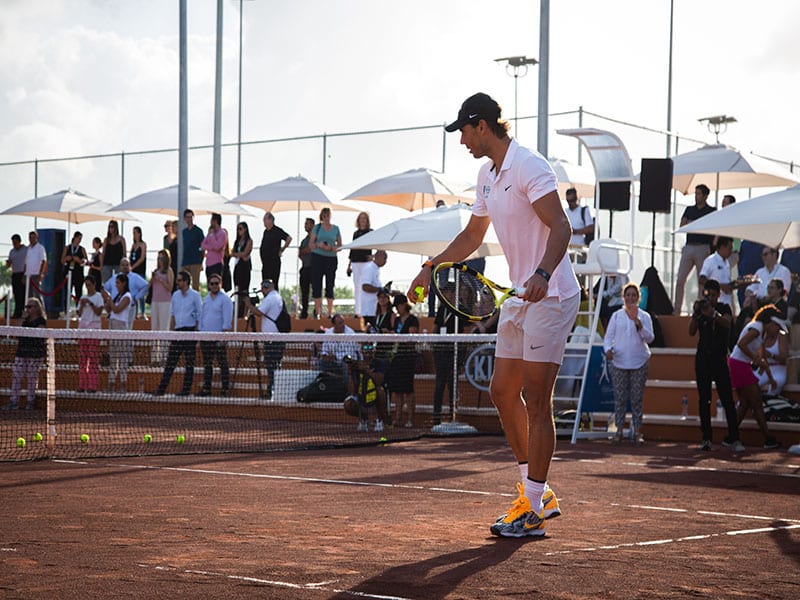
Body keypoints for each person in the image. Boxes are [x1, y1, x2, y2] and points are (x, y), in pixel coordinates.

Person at [409, 92, 579, 538]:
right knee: (504, 391)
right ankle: (535, 490)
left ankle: (534, 508)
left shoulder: (529, 165)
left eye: (463, 131)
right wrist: (431, 266)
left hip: (552, 294)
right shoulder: (486, 175)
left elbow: (562, 226)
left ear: (481, 125)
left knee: (538, 401)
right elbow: (472, 235)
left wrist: (543, 273)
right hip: (519, 296)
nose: (461, 140)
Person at [688, 279, 743, 452]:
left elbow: (727, 324)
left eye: (713, 295)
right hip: (703, 359)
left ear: (719, 295)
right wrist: (697, 312)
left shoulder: (724, 309)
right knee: (704, 400)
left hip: (719, 359)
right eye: (707, 294)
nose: (710, 298)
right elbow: (691, 331)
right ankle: (706, 438)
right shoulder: (700, 309)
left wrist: (712, 314)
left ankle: (734, 438)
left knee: (727, 399)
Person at [603, 283, 654, 445]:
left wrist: (639, 325)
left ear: (638, 297)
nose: (630, 298)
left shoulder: (644, 316)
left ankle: (637, 431)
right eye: (628, 295)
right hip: (618, 362)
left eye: (633, 295)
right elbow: (608, 337)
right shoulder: (617, 315)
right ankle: (618, 430)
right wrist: (608, 350)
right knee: (620, 398)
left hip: (639, 361)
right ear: (623, 297)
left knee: (637, 398)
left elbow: (650, 338)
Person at [728, 304, 783, 449]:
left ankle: (731, 436)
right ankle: (768, 438)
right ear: (770, 322)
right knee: (757, 400)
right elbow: (741, 344)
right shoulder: (757, 327)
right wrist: (754, 358)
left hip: (739, 364)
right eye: (777, 326)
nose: (777, 330)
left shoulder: (761, 332)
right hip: (739, 364)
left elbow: (762, 358)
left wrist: (770, 378)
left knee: (745, 403)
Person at [154, 270, 202, 396]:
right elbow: (173, 314)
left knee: (189, 363)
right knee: (171, 362)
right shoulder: (175, 295)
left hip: (190, 331)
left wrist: (196, 332)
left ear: (186, 282)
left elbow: (199, 314)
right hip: (178, 332)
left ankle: (186, 390)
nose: (177, 282)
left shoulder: (195, 295)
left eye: (180, 280)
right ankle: (161, 390)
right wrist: (172, 332)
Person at [673, 184, 715, 315]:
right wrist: (697, 224)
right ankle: (677, 310)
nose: (696, 197)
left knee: (702, 281)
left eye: (699, 194)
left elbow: (711, 228)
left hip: (703, 247)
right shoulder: (689, 209)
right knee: (680, 279)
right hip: (689, 246)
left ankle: (700, 310)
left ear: (705, 196)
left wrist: (693, 224)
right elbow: (682, 225)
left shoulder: (711, 211)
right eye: (696, 194)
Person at [243, 279, 286, 400]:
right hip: (274, 338)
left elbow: (258, 312)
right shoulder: (276, 297)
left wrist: (249, 305)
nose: (261, 291)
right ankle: (272, 389)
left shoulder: (271, 298)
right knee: (273, 365)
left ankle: (271, 390)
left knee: (271, 366)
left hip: (273, 339)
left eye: (262, 288)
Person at [2, 297, 47, 411]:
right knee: (17, 377)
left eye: (30, 307)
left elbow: (39, 334)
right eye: (27, 307)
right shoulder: (24, 320)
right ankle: (14, 401)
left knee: (32, 378)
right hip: (22, 352)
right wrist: (23, 318)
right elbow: (16, 330)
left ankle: (30, 402)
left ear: (36, 308)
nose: (27, 309)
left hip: (35, 354)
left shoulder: (41, 321)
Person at [432, 283, 466, 426]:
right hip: (440, 352)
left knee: (452, 385)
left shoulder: (462, 309)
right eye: (445, 292)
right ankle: (436, 419)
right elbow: (436, 327)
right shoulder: (442, 309)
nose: (446, 295)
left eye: (449, 292)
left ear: (454, 293)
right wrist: (434, 342)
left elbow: (466, 331)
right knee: (439, 384)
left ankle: (453, 417)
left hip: (455, 351)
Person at [198, 273, 232, 396]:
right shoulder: (206, 299)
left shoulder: (225, 299)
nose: (214, 286)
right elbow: (202, 317)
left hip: (219, 337)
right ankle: (207, 389)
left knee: (222, 363)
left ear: (220, 284)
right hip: (206, 337)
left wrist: (224, 335)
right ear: (209, 285)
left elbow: (227, 319)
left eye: (216, 283)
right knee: (208, 364)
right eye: (212, 283)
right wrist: (201, 333)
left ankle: (225, 390)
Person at [389, 294, 419, 428]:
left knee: (408, 390)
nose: (397, 309)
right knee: (397, 391)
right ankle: (398, 418)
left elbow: (411, 337)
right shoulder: (396, 320)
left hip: (408, 357)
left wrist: (396, 336)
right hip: (397, 358)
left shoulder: (412, 320)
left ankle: (410, 420)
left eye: (398, 306)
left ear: (404, 305)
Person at [101, 273, 133, 393]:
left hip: (121, 328)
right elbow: (109, 310)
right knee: (113, 357)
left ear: (124, 283)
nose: (117, 285)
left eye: (118, 283)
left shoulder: (127, 296)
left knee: (123, 358)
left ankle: (123, 384)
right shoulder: (117, 296)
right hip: (113, 326)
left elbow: (117, 309)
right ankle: (111, 384)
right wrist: (106, 299)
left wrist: (109, 298)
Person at [347, 341, 388, 432]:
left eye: (370, 348)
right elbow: (352, 390)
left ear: (374, 350)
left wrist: (367, 370)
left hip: (374, 394)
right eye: (365, 348)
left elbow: (379, 381)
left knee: (381, 392)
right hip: (361, 394)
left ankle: (379, 421)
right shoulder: (356, 364)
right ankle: (363, 420)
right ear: (361, 350)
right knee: (348, 404)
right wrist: (350, 373)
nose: (368, 351)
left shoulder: (380, 363)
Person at [310, 207, 341, 318]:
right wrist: (319, 245)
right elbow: (311, 244)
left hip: (331, 258)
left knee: (330, 285)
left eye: (327, 215)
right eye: (324, 215)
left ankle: (329, 313)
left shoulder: (336, 228)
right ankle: (317, 312)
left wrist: (331, 248)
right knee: (317, 284)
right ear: (321, 216)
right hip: (317, 257)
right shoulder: (317, 228)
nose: (326, 217)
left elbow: (340, 246)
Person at [76, 275, 103, 393]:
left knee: (93, 359)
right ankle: (82, 385)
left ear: (94, 284)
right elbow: (79, 314)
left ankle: (93, 385)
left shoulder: (98, 297)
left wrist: (90, 303)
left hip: (94, 330)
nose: (87, 287)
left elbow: (99, 312)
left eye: (89, 285)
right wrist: (82, 304)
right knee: (82, 359)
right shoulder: (83, 297)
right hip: (83, 330)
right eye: (86, 285)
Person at [149, 249, 175, 364]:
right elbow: (149, 286)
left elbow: (170, 287)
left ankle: (164, 357)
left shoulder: (168, 271)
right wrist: (152, 278)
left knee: (164, 328)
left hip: (165, 302)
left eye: (161, 258)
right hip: (155, 301)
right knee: (154, 328)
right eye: (158, 258)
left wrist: (159, 279)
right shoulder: (156, 271)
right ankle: (155, 358)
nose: (160, 260)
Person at [104, 258, 148, 324]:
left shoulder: (134, 277)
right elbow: (105, 288)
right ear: (120, 266)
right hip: (115, 307)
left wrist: (136, 297)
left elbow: (146, 286)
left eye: (127, 265)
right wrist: (109, 300)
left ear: (130, 266)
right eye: (123, 265)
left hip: (129, 307)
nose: (125, 267)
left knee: (128, 329)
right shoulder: (114, 277)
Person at [756, 307, 788, 396]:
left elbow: (784, 358)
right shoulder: (763, 336)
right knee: (751, 384)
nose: (778, 328)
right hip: (764, 370)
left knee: (775, 386)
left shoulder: (782, 336)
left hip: (779, 370)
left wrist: (771, 355)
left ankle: (769, 405)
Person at [347, 211, 373, 317]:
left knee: (365, 286)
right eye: (361, 218)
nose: (362, 220)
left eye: (364, 218)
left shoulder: (371, 232)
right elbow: (352, 249)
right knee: (357, 287)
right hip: (355, 261)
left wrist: (374, 256)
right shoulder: (356, 233)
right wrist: (349, 265)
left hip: (366, 262)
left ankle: (366, 311)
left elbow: (377, 244)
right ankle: (357, 311)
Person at [698, 236, 734, 309]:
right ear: (722, 247)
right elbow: (701, 279)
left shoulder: (727, 262)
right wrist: (720, 287)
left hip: (727, 304)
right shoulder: (710, 260)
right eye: (729, 248)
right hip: (714, 304)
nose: (731, 251)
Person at [259, 212, 292, 289]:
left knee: (273, 283)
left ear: (270, 220)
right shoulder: (265, 232)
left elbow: (288, 238)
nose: (263, 221)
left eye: (265, 219)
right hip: (265, 262)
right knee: (265, 283)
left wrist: (282, 249)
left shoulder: (277, 230)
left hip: (274, 261)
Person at [60, 231, 87, 314]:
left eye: (80, 239)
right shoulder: (67, 248)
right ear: (74, 238)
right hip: (68, 272)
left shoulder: (82, 249)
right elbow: (62, 260)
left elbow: (85, 261)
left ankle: (78, 310)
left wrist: (79, 260)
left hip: (78, 273)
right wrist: (66, 258)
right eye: (78, 238)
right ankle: (66, 310)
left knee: (78, 292)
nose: (79, 240)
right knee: (67, 292)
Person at [360, 250, 388, 326]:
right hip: (369, 310)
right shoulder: (369, 269)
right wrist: (380, 290)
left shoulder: (375, 269)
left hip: (374, 309)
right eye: (385, 258)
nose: (386, 261)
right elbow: (365, 287)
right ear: (378, 257)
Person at [231, 221, 253, 318]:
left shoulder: (249, 240)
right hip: (238, 266)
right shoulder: (237, 241)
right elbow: (232, 252)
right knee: (237, 288)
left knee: (244, 289)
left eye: (241, 229)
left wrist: (237, 254)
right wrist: (238, 254)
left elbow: (245, 253)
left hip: (245, 266)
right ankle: (238, 311)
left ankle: (244, 312)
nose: (239, 231)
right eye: (238, 229)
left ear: (245, 230)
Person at [564, 186, 594, 254]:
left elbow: (591, 228)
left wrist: (575, 231)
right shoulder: (565, 211)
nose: (570, 203)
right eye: (568, 201)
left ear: (576, 199)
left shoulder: (584, 210)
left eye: (572, 201)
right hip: (567, 249)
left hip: (580, 249)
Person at [181, 209, 205, 291]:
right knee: (183, 283)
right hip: (185, 261)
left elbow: (203, 246)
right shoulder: (184, 232)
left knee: (195, 285)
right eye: (187, 217)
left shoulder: (198, 231)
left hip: (195, 261)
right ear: (184, 218)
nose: (189, 219)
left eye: (191, 217)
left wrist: (201, 260)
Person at [201, 212, 228, 282]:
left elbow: (217, 247)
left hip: (217, 263)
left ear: (215, 221)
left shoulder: (222, 233)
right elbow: (203, 245)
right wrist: (211, 247)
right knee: (209, 284)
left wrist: (212, 236)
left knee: (215, 283)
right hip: (208, 263)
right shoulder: (210, 233)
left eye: (211, 220)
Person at [7, 233, 27, 318]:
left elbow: (27, 263)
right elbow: (9, 264)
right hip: (15, 274)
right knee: (16, 294)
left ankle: (23, 312)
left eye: (15, 242)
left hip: (23, 273)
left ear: (19, 241)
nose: (14, 244)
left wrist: (24, 275)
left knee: (22, 294)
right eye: (13, 243)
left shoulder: (26, 250)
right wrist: (8, 263)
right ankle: (17, 312)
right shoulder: (12, 251)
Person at [297, 218, 314, 319]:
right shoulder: (304, 240)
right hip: (305, 267)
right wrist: (307, 250)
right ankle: (304, 311)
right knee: (304, 291)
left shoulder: (316, 238)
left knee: (316, 290)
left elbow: (314, 249)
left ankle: (317, 310)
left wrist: (307, 250)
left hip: (314, 268)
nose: (305, 225)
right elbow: (300, 253)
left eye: (307, 224)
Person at [24, 230, 47, 301]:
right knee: (29, 295)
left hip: (36, 274)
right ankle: (29, 311)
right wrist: (24, 274)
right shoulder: (28, 248)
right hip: (28, 275)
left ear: (37, 238)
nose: (32, 239)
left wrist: (41, 273)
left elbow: (43, 261)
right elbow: (26, 262)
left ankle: (42, 311)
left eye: (33, 237)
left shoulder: (40, 248)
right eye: (30, 237)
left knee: (37, 295)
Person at [129, 226, 147, 318]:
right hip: (133, 271)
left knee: (141, 291)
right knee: (134, 291)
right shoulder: (133, 245)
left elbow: (142, 258)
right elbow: (130, 257)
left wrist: (133, 266)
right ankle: (135, 312)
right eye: (133, 233)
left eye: (136, 233)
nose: (134, 235)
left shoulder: (143, 244)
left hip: (140, 270)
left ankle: (143, 312)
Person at [100, 219, 126, 284]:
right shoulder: (106, 240)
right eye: (109, 227)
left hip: (118, 264)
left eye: (112, 226)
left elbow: (124, 253)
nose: (111, 228)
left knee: (119, 282)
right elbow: (103, 253)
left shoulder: (121, 239)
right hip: (107, 264)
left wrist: (124, 265)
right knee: (106, 283)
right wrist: (101, 265)